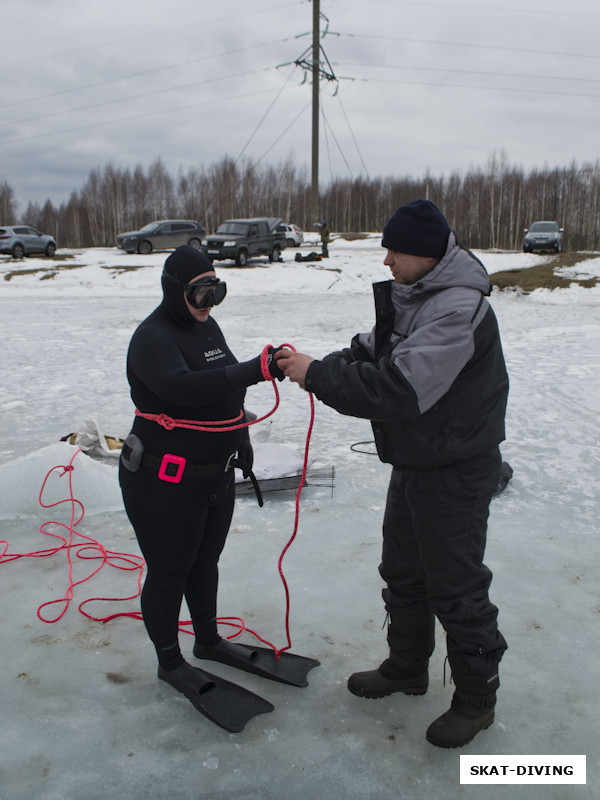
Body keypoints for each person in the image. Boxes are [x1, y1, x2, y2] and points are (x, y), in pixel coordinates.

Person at [276, 199, 509, 748]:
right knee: (403, 572)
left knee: (457, 588)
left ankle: (477, 701)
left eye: (394, 251)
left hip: (455, 468)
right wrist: (319, 363)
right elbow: (372, 350)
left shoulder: (457, 309)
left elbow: (398, 389)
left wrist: (317, 377)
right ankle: (407, 667)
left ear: (425, 254)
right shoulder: (418, 294)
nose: (385, 260)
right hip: (418, 461)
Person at [119, 245, 286, 731]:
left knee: (204, 563)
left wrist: (243, 437)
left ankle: (208, 640)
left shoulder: (206, 326)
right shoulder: (153, 337)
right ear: (175, 289)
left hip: (212, 473)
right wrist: (258, 368)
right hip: (160, 480)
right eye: (199, 292)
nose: (209, 302)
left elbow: (224, 387)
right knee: (171, 571)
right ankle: (170, 661)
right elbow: (185, 389)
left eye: (217, 291)